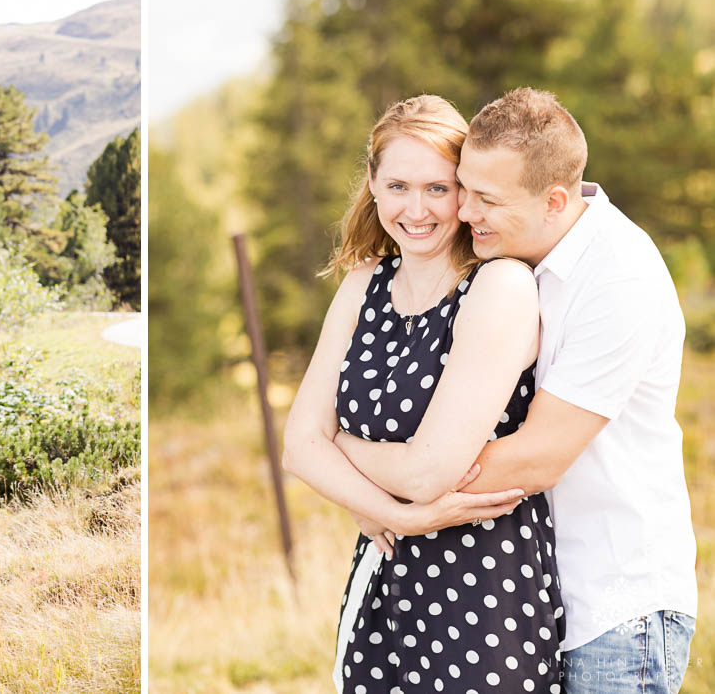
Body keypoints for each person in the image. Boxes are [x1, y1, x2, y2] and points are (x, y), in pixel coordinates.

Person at [335, 88, 698, 694]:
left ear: (554, 201)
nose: (465, 210)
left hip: (614, 606)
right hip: (546, 591)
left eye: (485, 198)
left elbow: (536, 457)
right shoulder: (520, 255)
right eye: (464, 187)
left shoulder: (617, 275)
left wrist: (377, 479)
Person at [282, 94, 564, 693]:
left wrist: (341, 447)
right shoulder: (362, 286)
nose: (417, 209)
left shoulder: (499, 286)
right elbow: (297, 445)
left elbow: (424, 476)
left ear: (465, 191)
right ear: (373, 185)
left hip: (486, 594)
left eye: (439, 188)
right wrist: (385, 515)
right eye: (399, 185)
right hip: (383, 581)